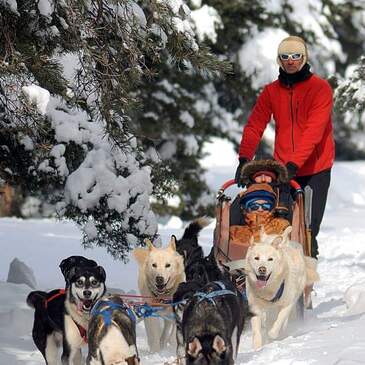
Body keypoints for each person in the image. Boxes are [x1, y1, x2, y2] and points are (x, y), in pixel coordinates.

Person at [235, 36, 334, 259]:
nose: (291, 61)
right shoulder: (271, 91)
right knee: (281, 226)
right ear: (279, 60)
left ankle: (305, 283)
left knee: (307, 229)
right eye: (285, 57)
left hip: (315, 169)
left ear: (304, 57)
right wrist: (244, 159)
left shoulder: (320, 89)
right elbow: (255, 125)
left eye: (296, 56)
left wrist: (294, 164)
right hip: (284, 171)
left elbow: (314, 132)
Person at [229, 183, 290, 259]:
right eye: (254, 206)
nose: (260, 209)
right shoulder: (235, 232)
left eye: (265, 206)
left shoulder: (281, 226)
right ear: (246, 209)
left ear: (272, 209)